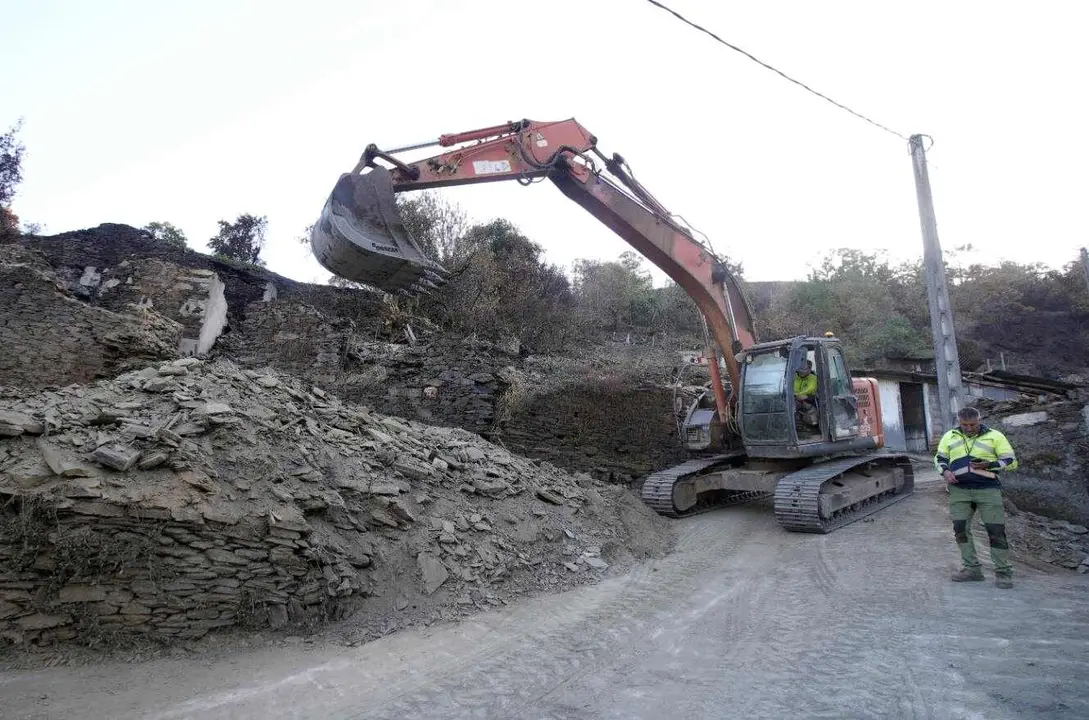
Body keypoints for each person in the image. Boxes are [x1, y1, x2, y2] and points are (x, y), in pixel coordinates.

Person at [934, 406, 1019, 588]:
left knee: (995, 530)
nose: (969, 428)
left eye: (973, 424)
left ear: (979, 420)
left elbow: (1011, 461)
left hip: (988, 489)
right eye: (965, 425)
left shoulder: (995, 436)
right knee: (960, 529)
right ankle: (972, 569)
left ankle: (1003, 572)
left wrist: (990, 464)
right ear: (959, 422)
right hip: (959, 490)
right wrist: (946, 471)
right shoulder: (950, 436)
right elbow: (940, 458)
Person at [794, 359, 818, 427]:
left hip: (809, 401)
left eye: (805, 369)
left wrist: (800, 395)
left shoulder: (813, 378)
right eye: (800, 368)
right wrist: (796, 395)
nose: (802, 370)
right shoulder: (793, 377)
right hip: (795, 398)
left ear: (809, 369)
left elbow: (810, 390)